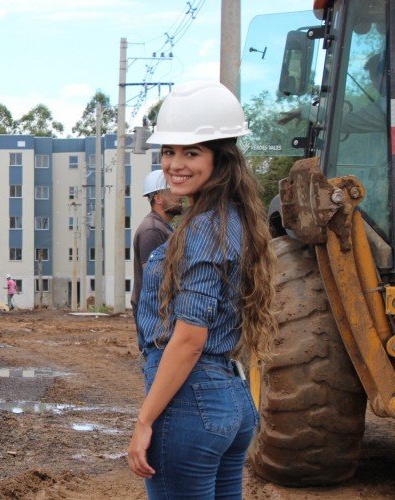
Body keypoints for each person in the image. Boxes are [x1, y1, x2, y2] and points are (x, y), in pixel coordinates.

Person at [126, 81, 277, 498]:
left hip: (191, 405)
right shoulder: (230, 218)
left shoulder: (204, 230)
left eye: (191, 152)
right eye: (169, 151)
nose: (176, 164)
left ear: (220, 159)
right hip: (231, 399)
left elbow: (190, 338)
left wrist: (144, 422)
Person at [130, 170, 182, 322]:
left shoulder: (163, 227)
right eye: (173, 192)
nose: (179, 197)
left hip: (160, 311)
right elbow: (155, 277)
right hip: (155, 314)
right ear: (158, 198)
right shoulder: (152, 230)